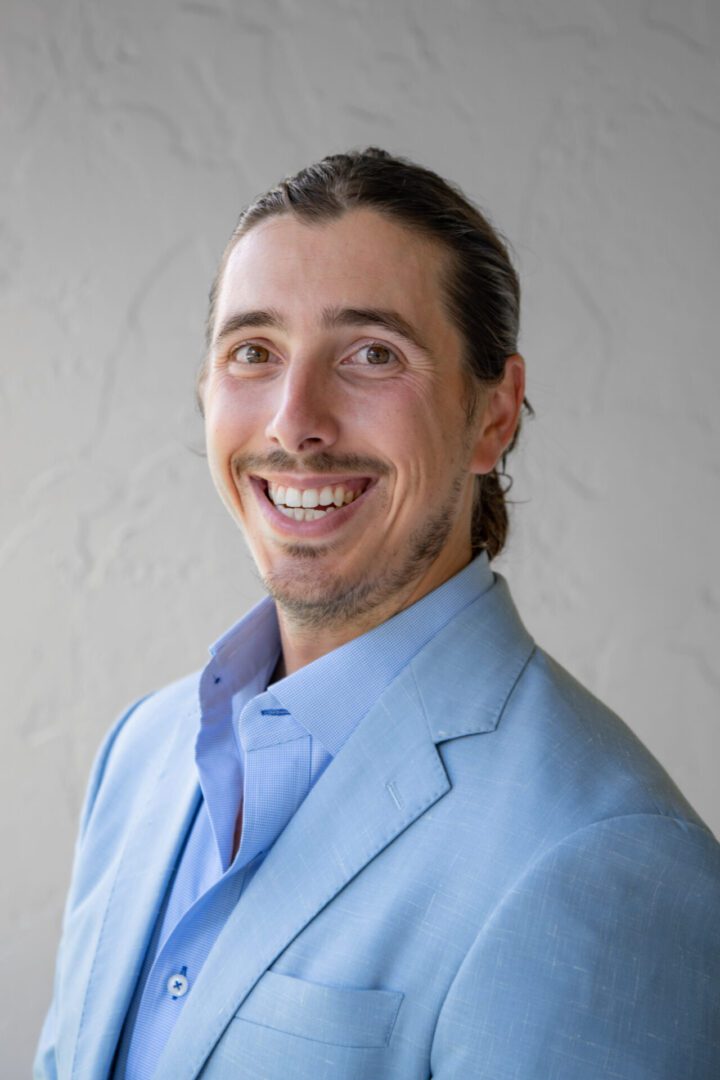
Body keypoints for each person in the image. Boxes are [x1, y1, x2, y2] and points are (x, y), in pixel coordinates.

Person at [36, 148, 720, 1080]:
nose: (293, 421)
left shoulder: (608, 862)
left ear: (494, 413)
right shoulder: (141, 755)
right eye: (253, 352)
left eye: (371, 355)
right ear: (205, 392)